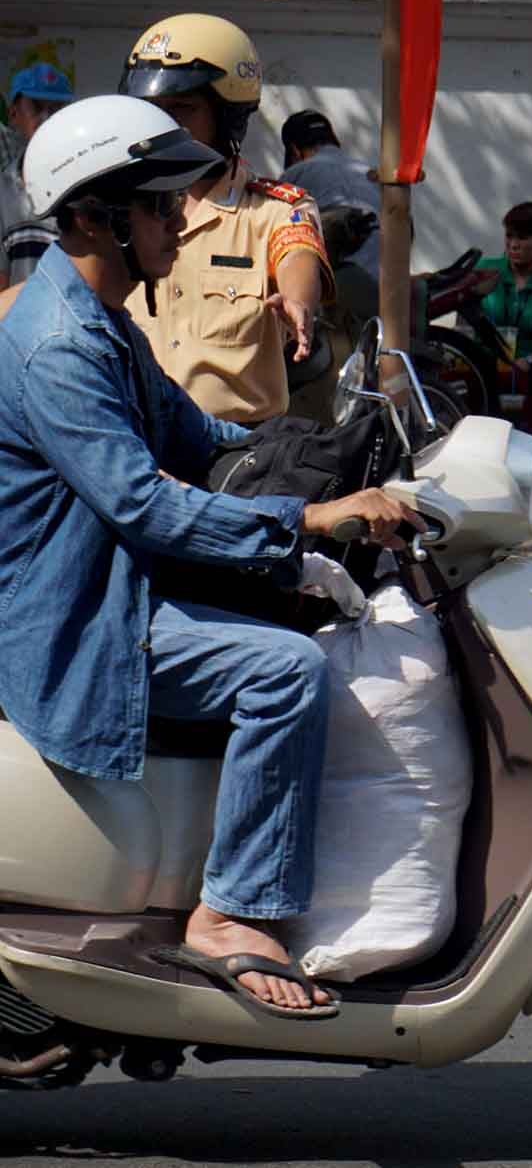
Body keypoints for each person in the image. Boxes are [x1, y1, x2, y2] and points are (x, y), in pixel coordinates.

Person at [0, 95, 416, 1018]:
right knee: (286, 672)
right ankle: (230, 914)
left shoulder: (105, 324)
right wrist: (310, 521)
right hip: (75, 618)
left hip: (112, 586)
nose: (181, 221)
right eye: (158, 205)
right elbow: (143, 504)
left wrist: (330, 456)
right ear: (91, 219)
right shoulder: (61, 346)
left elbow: (199, 437)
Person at [118, 13, 333, 424]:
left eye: (182, 108)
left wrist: (297, 301)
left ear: (227, 115)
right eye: (152, 109)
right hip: (133, 443)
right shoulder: (118, 209)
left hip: (235, 449)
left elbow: (296, 254)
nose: (163, 124)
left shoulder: (274, 211)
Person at [278, 109, 383, 278]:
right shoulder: (370, 172)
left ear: (295, 150)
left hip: (340, 282)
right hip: (387, 278)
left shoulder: (295, 174)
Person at [3, 61, 77, 289]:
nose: (47, 118)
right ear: (13, 114)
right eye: (36, 107)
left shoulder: (82, 183)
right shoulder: (3, 190)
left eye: (56, 109)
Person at [478, 200, 532, 361]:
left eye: (522, 237)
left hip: (530, 372)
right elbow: (462, 327)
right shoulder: (483, 270)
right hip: (479, 368)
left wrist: (530, 361)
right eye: (509, 235)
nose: (513, 245)